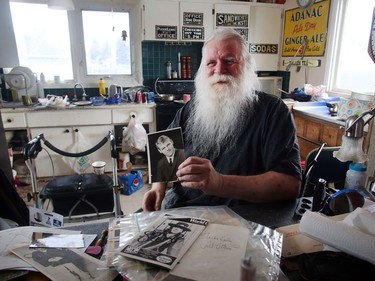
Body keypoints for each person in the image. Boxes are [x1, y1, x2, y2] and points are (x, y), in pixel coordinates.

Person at [142, 28, 302, 211]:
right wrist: (157, 188)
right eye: (211, 63)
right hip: (182, 209)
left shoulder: (273, 112)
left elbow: (290, 185)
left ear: (247, 66)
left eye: (229, 61)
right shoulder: (192, 108)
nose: (219, 70)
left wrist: (219, 183)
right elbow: (163, 150)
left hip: (241, 218)